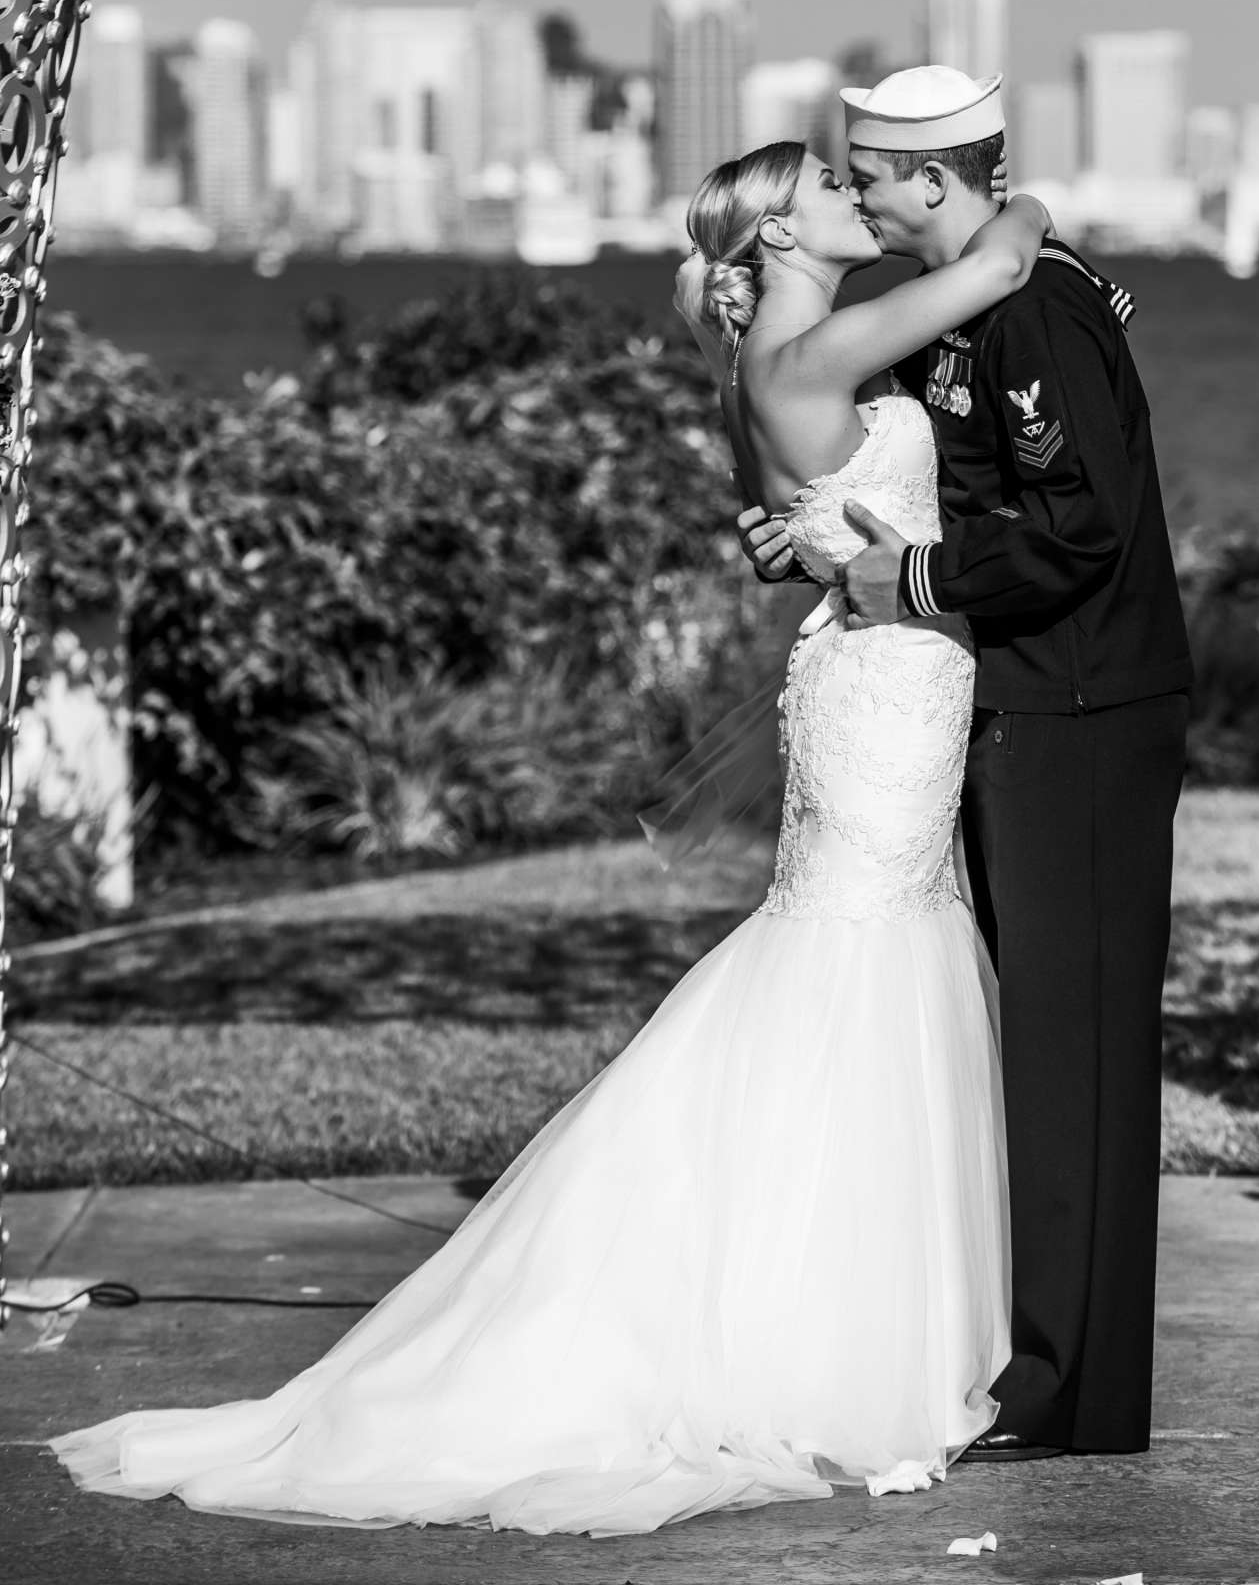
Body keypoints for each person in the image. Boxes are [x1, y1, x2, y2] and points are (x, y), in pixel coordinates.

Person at [48, 138, 1051, 1541]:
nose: (856, 194)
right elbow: (1004, 259)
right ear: (776, 233)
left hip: (879, 681)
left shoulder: (774, 355)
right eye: (833, 183)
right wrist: (1025, 205)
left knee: (851, 962)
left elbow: (796, 519)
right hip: (883, 692)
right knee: (863, 969)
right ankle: (824, 1338)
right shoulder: (810, 354)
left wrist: (811, 537)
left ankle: (839, 1305)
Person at [739, 64, 1193, 1462]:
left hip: (1084, 709)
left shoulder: (1034, 305)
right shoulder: (971, 314)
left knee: (1077, 1057)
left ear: (932, 181)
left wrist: (910, 582)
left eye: (869, 170)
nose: (859, 189)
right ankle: (1031, 1363)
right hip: (1009, 704)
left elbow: (1084, 525)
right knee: (1032, 1050)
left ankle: (1074, 1396)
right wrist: (826, 536)